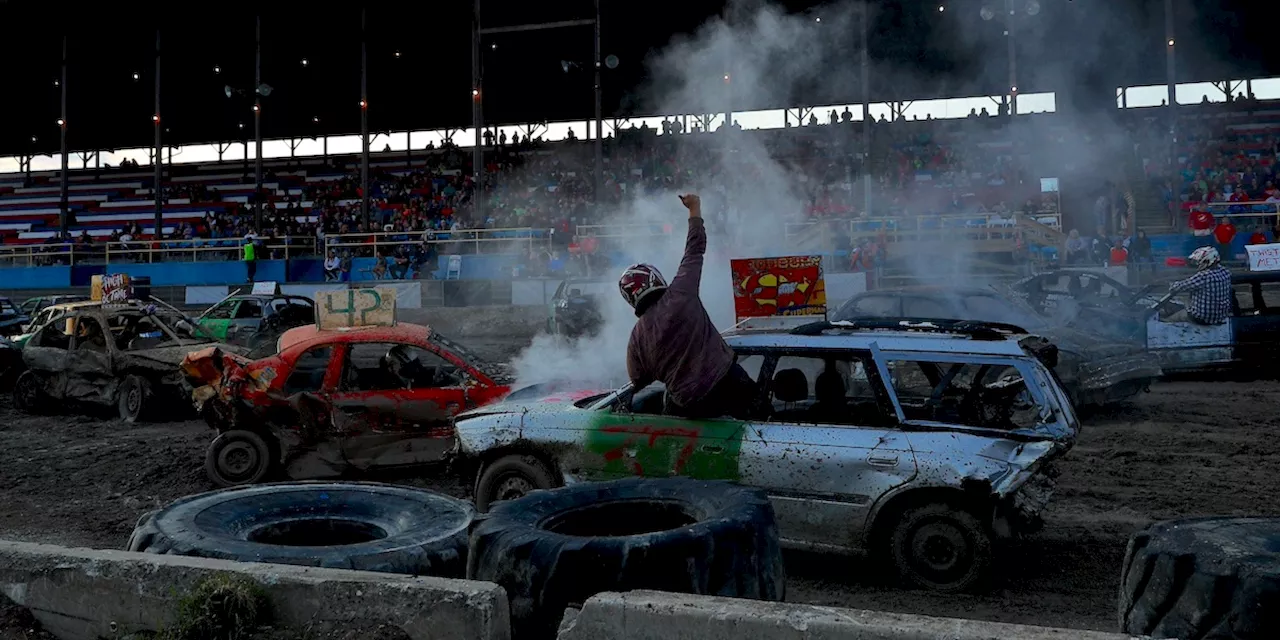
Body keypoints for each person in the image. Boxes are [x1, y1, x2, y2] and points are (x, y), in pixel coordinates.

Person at [620, 193, 762, 420]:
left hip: (688, 406)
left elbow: (637, 379)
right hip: (728, 383)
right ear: (654, 279)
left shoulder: (637, 338)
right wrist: (694, 208)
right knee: (770, 427)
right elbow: (695, 248)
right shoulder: (680, 293)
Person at [1167, 247, 1232, 325]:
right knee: (1181, 306)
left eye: (1199, 261)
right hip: (1220, 316)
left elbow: (1178, 287)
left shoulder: (1204, 276)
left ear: (1207, 261)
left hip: (1201, 317)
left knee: (1168, 319)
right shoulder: (1225, 272)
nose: (1198, 263)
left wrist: (1170, 284)